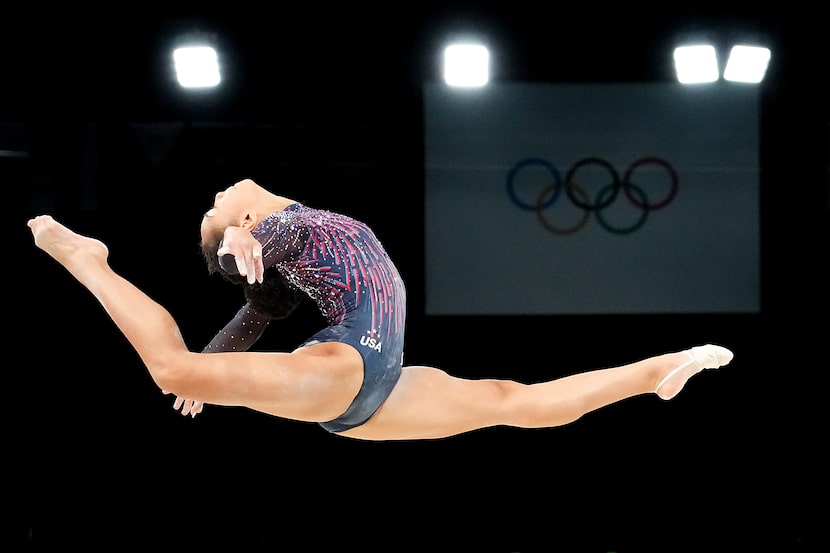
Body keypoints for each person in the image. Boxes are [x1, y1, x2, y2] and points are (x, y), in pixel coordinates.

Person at [27, 178, 734, 441]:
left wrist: (218, 364)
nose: (213, 198)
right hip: (351, 366)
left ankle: (655, 371)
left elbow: (263, 308)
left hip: (381, 384)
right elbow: (275, 241)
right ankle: (90, 260)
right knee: (170, 370)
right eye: (214, 213)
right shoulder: (273, 230)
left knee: (509, 399)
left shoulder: (294, 228)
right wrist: (244, 240)